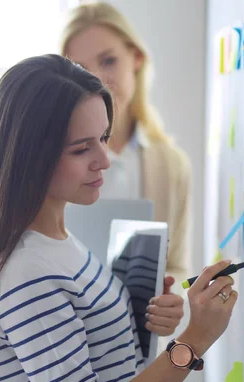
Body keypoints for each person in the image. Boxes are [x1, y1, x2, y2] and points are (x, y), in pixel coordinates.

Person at [0, 54, 238, 382]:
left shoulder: (56, 242)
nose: (104, 160)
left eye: (103, 138)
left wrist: (146, 319)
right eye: (81, 149)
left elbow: (108, 365)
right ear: (29, 156)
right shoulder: (29, 272)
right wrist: (195, 339)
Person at [60, 2, 192, 283]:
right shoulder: (48, 160)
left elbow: (177, 268)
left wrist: (170, 300)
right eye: (80, 69)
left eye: (108, 61)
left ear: (136, 58)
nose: (96, 81)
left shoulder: (171, 166)